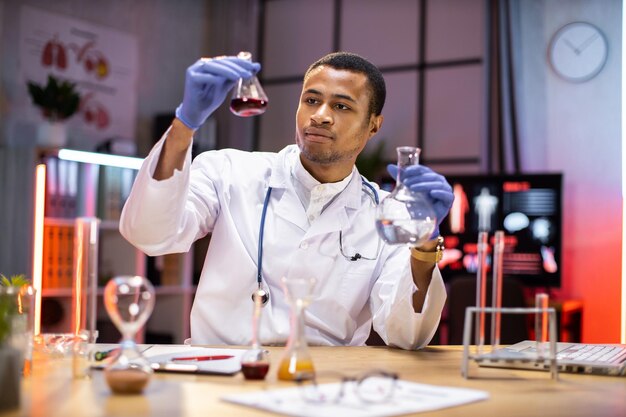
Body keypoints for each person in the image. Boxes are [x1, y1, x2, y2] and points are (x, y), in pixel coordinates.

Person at [120, 52, 454, 349]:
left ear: (373, 125)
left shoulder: (385, 214)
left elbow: (407, 333)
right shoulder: (229, 170)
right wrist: (184, 125)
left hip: (326, 382)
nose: (320, 115)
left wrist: (424, 242)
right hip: (221, 370)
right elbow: (151, 236)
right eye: (311, 100)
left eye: (341, 106)